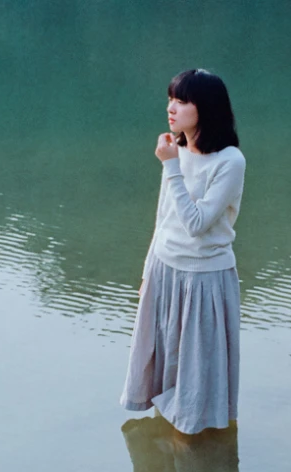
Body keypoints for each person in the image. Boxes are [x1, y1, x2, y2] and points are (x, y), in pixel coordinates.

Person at [120, 68, 245, 435]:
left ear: (204, 107)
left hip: (204, 276)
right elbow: (164, 217)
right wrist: (147, 274)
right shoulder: (177, 150)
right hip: (165, 268)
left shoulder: (230, 161)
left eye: (181, 101)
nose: (170, 108)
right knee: (165, 362)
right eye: (170, 99)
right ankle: (170, 432)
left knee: (196, 374)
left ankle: (195, 444)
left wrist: (171, 166)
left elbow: (196, 223)